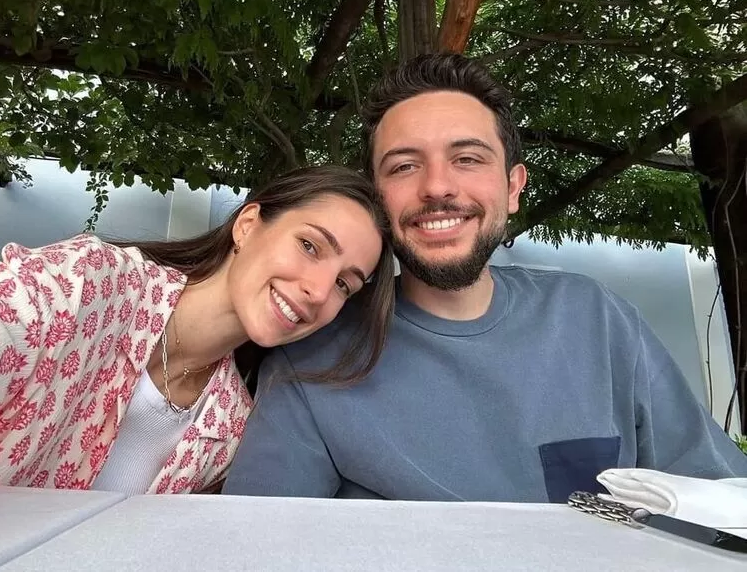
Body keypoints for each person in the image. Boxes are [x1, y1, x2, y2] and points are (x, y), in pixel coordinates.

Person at [223, 53, 747, 501]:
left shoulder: (595, 319)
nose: (437, 186)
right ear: (376, 198)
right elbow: (258, 546)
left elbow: (719, 495)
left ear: (513, 187)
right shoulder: (312, 361)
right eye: (404, 166)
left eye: (468, 159)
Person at [0, 165, 394, 495]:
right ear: (248, 226)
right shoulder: (87, 285)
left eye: (345, 284)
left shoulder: (229, 427)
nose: (319, 290)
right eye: (310, 245)